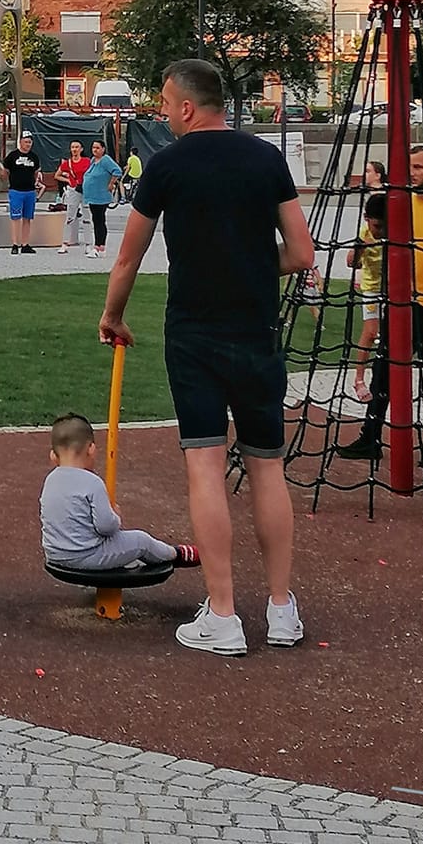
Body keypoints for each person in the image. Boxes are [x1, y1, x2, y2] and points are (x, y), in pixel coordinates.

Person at [100, 58, 314, 655]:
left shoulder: (166, 166)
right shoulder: (267, 159)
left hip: (194, 334)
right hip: (257, 332)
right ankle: (280, 608)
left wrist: (112, 317)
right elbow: (301, 252)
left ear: (188, 107)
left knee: (205, 465)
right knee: (267, 466)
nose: (163, 113)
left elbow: (127, 259)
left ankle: (223, 612)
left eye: (167, 103)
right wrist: (249, 262)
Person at [336, 146, 423, 470]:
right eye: (410, 166)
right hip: (401, 306)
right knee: (383, 372)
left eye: (420, 167)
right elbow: (376, 234)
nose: (414, 173)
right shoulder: (399, 202)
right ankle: (370, 437)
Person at [40, 412, 188, 572]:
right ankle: (176, 554)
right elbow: (106, 527)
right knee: (141, 541)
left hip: (55, 554)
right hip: (87, 556)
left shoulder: (50, 480)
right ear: (91, 449)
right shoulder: (92, 482)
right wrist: (115, 516)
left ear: (53, 456)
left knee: (117, 544)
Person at [347, 192, 386, 399]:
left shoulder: (395, 233)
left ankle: (385, 377)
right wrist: (360, 249)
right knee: (371, 333)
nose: (381, 231)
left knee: (394, 336)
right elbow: (351, 262)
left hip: (393, 289)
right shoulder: (365, 234)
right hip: (372, 287)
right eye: (377, 226)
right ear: (367, 220)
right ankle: (359, 379)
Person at [80, 139, 122, 256]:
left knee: (99, 221)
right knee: (96, 220)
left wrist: (111, 183)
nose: (95, 150)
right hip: (92, 196)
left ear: (103, 149)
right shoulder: (93, 160)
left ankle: (100, 247)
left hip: (101, 196)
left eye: (98, 148)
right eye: (93, 147)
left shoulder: (106, 160)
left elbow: (117, 171)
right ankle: (98, 246)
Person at [2, 129, 41, 255]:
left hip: (30, 191)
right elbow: (5, 171)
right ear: (20, 142)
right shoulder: (12, 156)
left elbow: (36, 172)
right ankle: (15, 243)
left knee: (27, 218)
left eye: (30, 142)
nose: (28, 144)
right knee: (15, 218)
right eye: (26, 142)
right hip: (16, 190)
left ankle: (25, 243)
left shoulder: (34, 157)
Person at [56, 141, 90, 254]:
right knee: (70, 216)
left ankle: (88, 244)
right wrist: (68, 180)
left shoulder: (87, 161)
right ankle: (65, 243)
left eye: (77, 147)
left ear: (81, 149)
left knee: (87, 217)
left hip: (85, 190)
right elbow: (57, 175)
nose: (74, 149)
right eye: (73, 147)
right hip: (73, 189)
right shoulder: (67, 163)